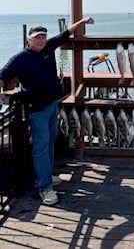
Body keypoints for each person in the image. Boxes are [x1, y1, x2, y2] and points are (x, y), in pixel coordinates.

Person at [0, 17, 95, 205]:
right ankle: (44, 187)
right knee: (40, 148)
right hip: (37, 110)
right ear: (29, 39)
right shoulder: (21, 58)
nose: (41, 40)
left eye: (43, 36)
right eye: (37, 37)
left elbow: (66, 33)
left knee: (51, 142)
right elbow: (2, 75)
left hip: (52, 105)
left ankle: (48, 176)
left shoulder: (49, 47)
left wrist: (83, 21)